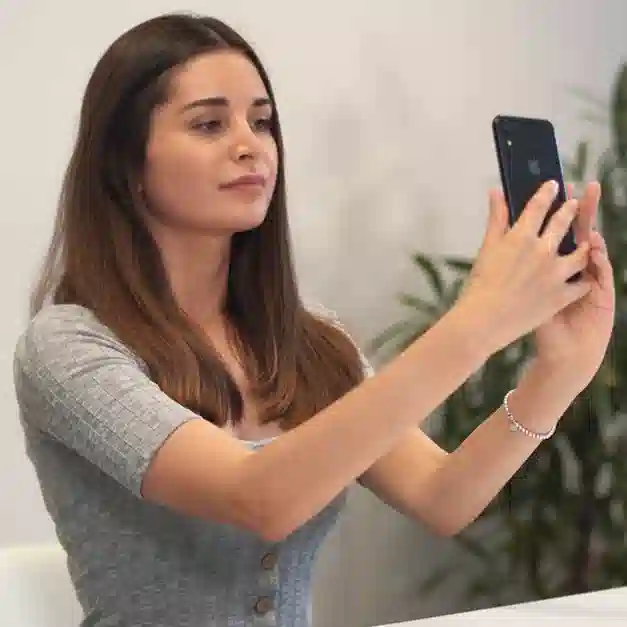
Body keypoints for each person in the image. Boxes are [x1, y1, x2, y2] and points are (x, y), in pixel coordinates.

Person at [12, 11, 615, 627]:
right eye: (209, 124)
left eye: (263, 122)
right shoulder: (67, 348)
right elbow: (260, 495)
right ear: (127, 164)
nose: (250, 144)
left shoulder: (308, 339)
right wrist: (477, 323)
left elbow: (442, 496)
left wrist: (560, 372)